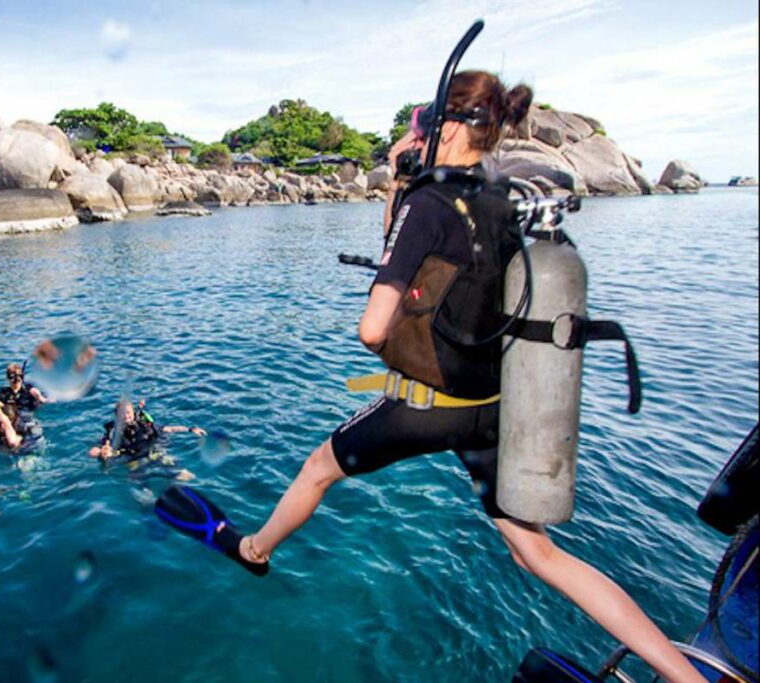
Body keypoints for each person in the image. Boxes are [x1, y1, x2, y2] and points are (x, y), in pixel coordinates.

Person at [223, 71, 705, 683]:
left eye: (420, 131)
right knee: (537, 552)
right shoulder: (503, 199)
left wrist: (406, 201)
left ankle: (255, 550)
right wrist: (404, 186)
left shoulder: (428, 202)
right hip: (495, 402)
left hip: (430, 403)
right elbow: (437, 270)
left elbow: (375, 327)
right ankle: (686, 675)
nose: (415, 142)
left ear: (446, 129)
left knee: (320, 468)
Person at [88, 399, 203, 481]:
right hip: (134, 462)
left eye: (128, 412)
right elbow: (93, 451)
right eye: (121, 413)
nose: (125, 416)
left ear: (133, 412)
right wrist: (101, 452)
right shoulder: (113, 432)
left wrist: (190, 429)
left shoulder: (144, 423)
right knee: (144, 497)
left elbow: (168, 429)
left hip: (154, 455)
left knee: (187, 477)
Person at [0, 363, 47, 449]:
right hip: (11, 420)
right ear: (8, 379)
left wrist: (39, 398)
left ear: (22, 377)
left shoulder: (29, 391)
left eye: (19, 378)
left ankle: (30, 450)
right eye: (12, 378)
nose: (16, 381)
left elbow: (43, 401)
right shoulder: (4, 393)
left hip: (26, 417)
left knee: (30, 435)